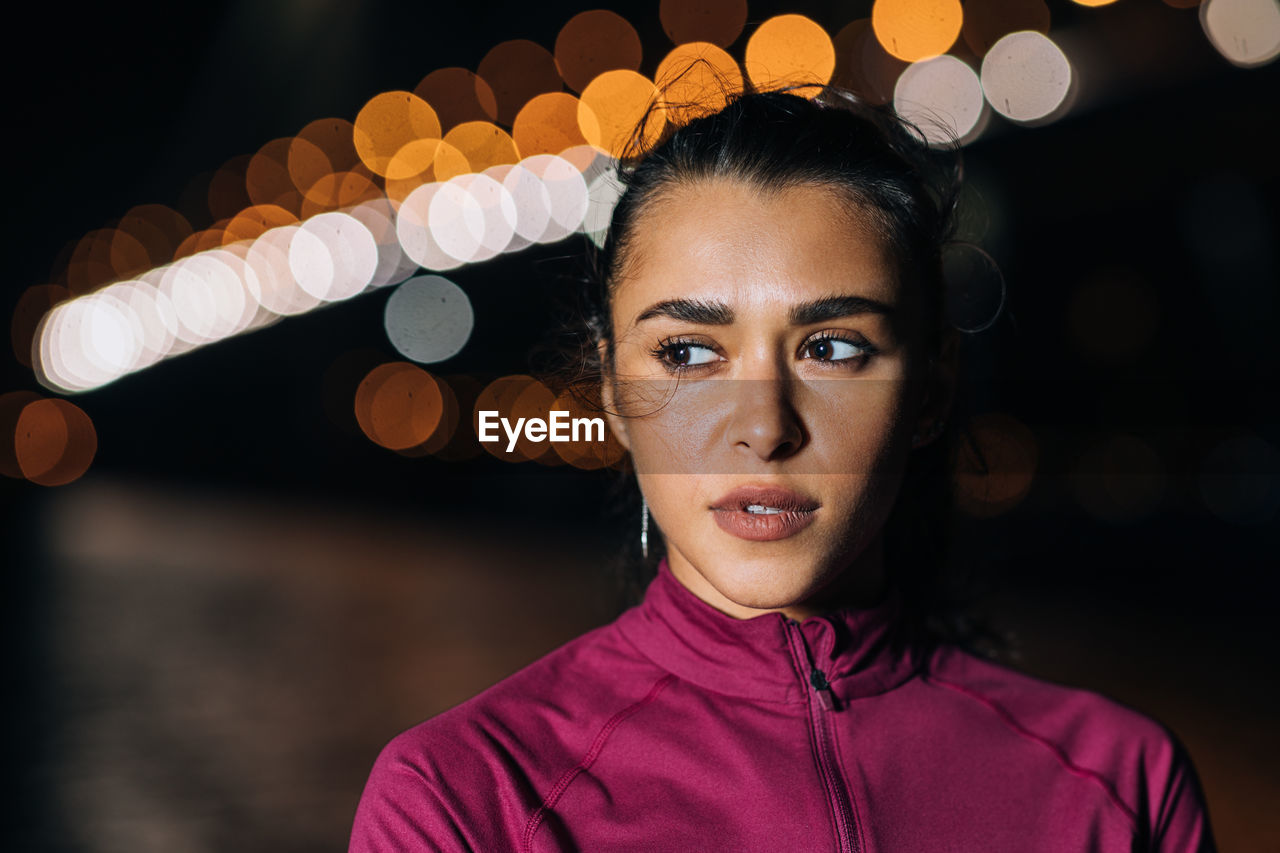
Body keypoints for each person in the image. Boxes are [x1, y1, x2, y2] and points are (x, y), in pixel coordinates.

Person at [348, 86, 1216, 851]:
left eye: (832, 347)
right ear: (612, 386)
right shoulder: (467, 800)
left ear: (929, 388)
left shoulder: (1120, 785)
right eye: (688, 352)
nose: (764, 428)